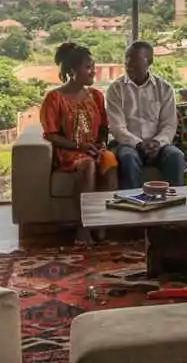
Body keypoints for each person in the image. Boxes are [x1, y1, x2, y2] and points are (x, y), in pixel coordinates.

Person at [39, 42, 117, 243]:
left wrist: (101, 144)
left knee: (110, 161)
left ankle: (101, 224)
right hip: (69, 150)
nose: (93, 72)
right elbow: (51, 134)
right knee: (88, 165)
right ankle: (83, 228)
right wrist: (78, 146)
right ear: (73, 71)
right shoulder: (54, 98)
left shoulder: (96, 96)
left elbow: (104, 127)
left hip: (93, 148)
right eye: (88, 67)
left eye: (94, 67)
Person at [106, 41, 187, 188]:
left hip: (159, 146)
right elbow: (117, 127)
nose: (129, 64)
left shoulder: (164, 89)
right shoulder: (116, 89)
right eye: (127, 59)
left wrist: (157, 142)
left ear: (149, 62)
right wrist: (139, 144)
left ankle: (175, 201)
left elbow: (169, 125)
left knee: (176, 156)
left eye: (134, 60)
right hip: (129, 145)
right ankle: (132, 200)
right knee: (128, 158)